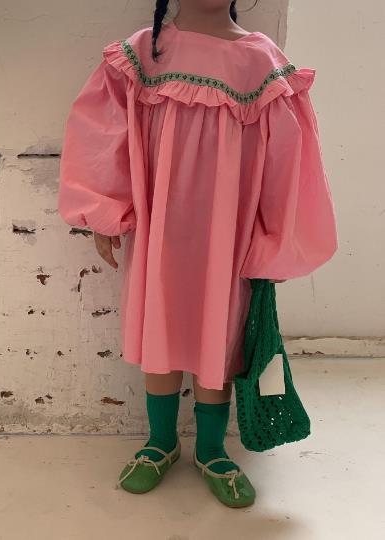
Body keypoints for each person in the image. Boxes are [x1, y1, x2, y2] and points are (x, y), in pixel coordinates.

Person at [57, 0, 338, 508]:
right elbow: (104, 131)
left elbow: (288, 156)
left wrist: (276, 236)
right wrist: (104, 209)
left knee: (219, 334)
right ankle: (160, 442)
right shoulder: (146, 53)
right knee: (160, 326)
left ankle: (211, 450)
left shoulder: (260, 62)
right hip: (159, 227)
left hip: (229, 234)